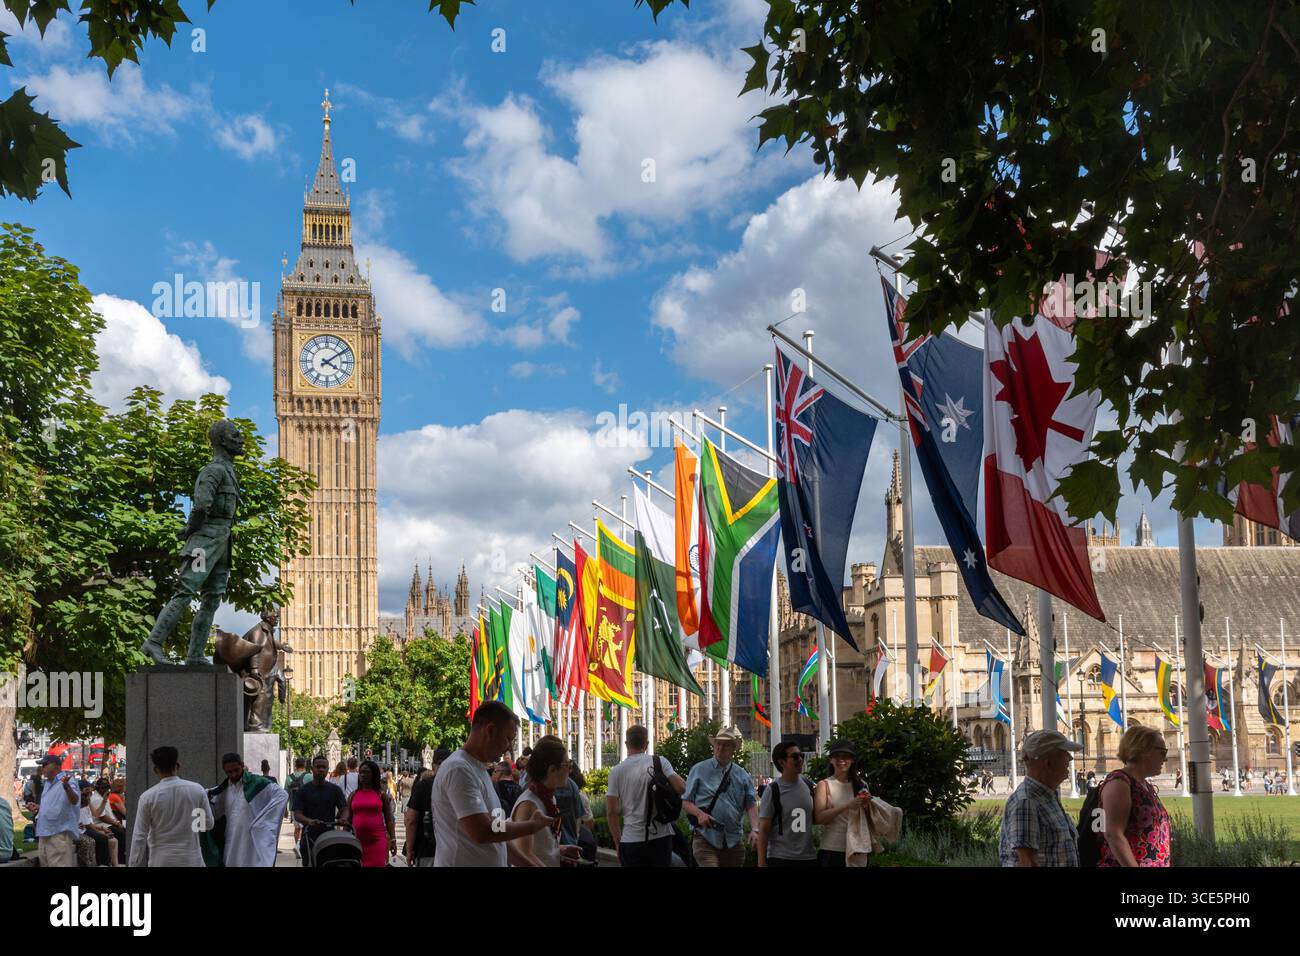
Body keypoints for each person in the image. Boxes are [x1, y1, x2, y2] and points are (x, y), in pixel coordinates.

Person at [430, 701, 554, 867]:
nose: (509, 747)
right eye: (508, 739)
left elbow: (498, 836)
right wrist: (531, 826)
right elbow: (483, 832)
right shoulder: (459, 768)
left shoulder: (478, 769)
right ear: (490, 731)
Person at [998, 730, 1082, 867]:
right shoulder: (1026, 802)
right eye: (1064, 753)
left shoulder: (1047, 795)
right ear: (1048, 763)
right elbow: (1027, 863)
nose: (1070, 758)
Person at [607, 725, 685, 867]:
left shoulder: (616, 772)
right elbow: (681, 787)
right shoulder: (660, 762)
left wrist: (618, 842)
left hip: (631, 840)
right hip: (660, 837)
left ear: (626, 744)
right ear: (647, 744)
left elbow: (612, 812)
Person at [682, 726, 758, 867]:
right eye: (718, 744)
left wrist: (755, 829)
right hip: (705, 838)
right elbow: (685, 801)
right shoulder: (698, 770)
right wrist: (699, 814)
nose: (721, 747)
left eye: (725, 745)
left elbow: (751, 804)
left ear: (733, 749)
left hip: (733, 840)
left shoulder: (742, 775)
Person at [1098, 725, 1171, 867]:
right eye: (1162, 752)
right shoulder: (1119, 783)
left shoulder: (1144, 785)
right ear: (1144, 750)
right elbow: (1114, 834)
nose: (1166, 759)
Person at [128, 746, 212, 867]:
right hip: (192, 859)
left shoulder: (147, 797)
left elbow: (139, 836)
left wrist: (133, 864)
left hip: (161, 860)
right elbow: (208, 824)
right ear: (177, 765)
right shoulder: (197, 790)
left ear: (155, 770)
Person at [203, 752, 289, 867]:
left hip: (251, 840)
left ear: (242, 765)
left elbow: (282, 795)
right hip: (231, 839)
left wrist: (261, 822)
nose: (233, 774)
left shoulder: (257, 783)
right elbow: (214, 807)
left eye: (236, 770)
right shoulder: (223, 789)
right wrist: (204, 796)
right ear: (224, 770)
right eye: (229, 772)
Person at [510, 736, 582, 867]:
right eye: (567, 764)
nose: (570, 770)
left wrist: (557, 850)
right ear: (552, 770)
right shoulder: (528, 804)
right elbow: (523, 853)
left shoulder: (548, 798)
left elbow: (538, 847)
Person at [757, 741, 817, 867]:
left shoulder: (808, 785)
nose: (800, 759)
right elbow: (764, 829)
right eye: (795, 757)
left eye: (802, 755)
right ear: (781, 762)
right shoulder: (773, 790)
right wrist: (761, 862)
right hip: (781, 857)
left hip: (808, 857)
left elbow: (815, 818)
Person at [813, 739, 871, 867]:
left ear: (852, 760)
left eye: (846, 757)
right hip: (832, 849)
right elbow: (819, 818)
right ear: (831, 760)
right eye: (837, 756)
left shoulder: (861, 785)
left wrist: (867, 806)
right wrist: (847, 806)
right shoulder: (824, 785)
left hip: (857, 848)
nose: (841, 760)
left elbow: (868, 819)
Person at [293, 755, 349, 866]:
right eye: (318, 767)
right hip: (309, 837)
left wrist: (343, 818)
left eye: (324, 767)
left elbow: (345, 808)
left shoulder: (335, 790)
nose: (321, 769)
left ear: (328, 770)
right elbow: (297, 814)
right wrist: (309, 821)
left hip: (329, 838)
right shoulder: (303, 790)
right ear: (312, 769)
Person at [28, 754, 80, 868]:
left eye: (45, 765)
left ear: (56, 766)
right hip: (44, 833)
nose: (42, 768)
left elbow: (75, 800)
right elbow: (53, 805)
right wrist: (37, 807)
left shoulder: (67, 780)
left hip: (58, 833)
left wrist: (66, 787)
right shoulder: (47, 783)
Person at [404, 747, 450, 866]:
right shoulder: (461, 784)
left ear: (434, 765)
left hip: (428, 849)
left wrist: (409, 850)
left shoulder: (424, 785)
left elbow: (411, 819)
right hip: (454, 849)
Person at [350, 759, 396, 866]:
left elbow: (389, 819)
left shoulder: (381, 794)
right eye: (361, 772)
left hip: (377, 841)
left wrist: (393, 839)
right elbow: (348, 817)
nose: (362, 775)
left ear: (374, 774)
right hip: (357, 841)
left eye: (366, 772)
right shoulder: (353, 795)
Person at [77, 787, 119, 867]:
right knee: (105, 838)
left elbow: (96, 814)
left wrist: (104, 800)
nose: (90, 793)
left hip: (91, 827)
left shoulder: (88, 802)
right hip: (85, 829)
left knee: (114, 838)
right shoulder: (82, 804)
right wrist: (101, 831)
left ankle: (114, 864)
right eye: (88, 792)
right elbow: (89, 825)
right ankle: (103, 863)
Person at [89, 777, 126, 864]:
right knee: (120, 833)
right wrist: (116, 823)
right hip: (102, 823)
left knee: (122, 832)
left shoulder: (104, 796)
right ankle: (120, 858)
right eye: (103, 787)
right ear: (98, 788)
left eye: (106, 787)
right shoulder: (97, 799)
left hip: (106, 822)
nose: (105, 789)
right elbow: (102, 817)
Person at [285, 757, 310, 846]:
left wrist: (285, 809)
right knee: (304, 828)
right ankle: (303, 846)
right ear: (305, 765)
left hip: (294, 807)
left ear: (295, 765)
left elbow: (285, 795)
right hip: (306, 808)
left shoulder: (289, 778)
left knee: (297, 828)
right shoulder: (309, 776)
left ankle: (297, 847)